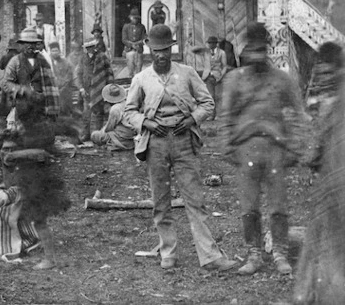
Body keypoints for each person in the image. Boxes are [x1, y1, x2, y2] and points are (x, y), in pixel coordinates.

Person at [123, 24, 237, 271]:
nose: (160, 55)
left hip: (184, 141)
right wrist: (147, 123)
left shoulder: (186, 73)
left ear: (171, 49)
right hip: (156, 144)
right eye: (156, 50)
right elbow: (128, 111)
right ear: (148, 50)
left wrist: (192, 119)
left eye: (165, 50)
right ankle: (168, 252)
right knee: (160, 201)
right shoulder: (141, 79)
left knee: (195, 199)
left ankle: (210, 256)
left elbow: (207, 103)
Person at [221, 22, 306, 276]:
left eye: (261, 50)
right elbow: (226, 116)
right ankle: (254, 254)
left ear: (267, 50)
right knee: (249, 207)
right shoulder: (234, 79)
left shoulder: (282, 80)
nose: (257, 56)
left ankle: (280, 253)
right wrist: (228, 147)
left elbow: (298, 115)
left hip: (275, 149)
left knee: (278, 205)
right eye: (252, 50)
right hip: (246, 148)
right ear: (246, 51)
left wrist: (295, 148)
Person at [2, 28, 68, 269]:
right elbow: (6, 83)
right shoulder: (14, 63)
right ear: (20, 45)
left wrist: (49, 114)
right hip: (22, 111)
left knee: (37, 186)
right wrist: (23, 91)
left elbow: (52, 89)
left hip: (39, 119)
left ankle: (46, 252)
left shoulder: (43, 61)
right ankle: (31, 241)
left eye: (33, 44)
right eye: (26, 44)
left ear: (38, 44)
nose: (30, 47)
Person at [294, 42, 345, 303]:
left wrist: (306, 159)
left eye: (329, 73)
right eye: (321, 73)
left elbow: (314, 147)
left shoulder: (332, 105)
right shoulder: (322, 103)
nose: (324, 78)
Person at [0, 134, 41, 261]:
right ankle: (0, 249)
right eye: (5, 149)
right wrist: (11, 194)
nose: (10, 154)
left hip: (17, 202)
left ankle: (26, 240)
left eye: (13, 149)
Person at [74, 39, 114, 142]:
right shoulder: (82, 58)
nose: (89, 49)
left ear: (95, 46)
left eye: (91, 47)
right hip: (86, 90)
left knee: (97, 113)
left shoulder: (102, 56)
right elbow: (78, 74)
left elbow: (109, 73)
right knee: (86, 113)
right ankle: (86, 135)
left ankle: (96, 136)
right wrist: (81, 88)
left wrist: (108, 88)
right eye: (87, 47)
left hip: (99, 89)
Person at [90, 83, 136, 152]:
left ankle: (113, 144)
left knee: (95, 135)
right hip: (131, 134)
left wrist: (101, 131)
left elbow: (109, 127)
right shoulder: (127, 103)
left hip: (122, 136)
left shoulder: (115, 109)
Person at [201, 36, 228, 119]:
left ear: (216, 44)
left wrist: (221, 76)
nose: (209, 45)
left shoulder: (222, 53)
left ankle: (219, 115)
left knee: (218, 97)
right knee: (210, 97)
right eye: (208, 43)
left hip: (218, 77)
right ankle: (211, 115)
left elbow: (225, 66)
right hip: (208, 77)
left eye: (211, 43)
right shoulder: (206, 52)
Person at [48, 41, 75, 116]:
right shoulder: (48, 63)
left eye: (56, 50)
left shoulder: (66, 62)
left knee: (65, 112)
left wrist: (62, 88)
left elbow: (69, 77)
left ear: (59, 51)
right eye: (53, 51)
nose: (55, 52)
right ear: (50, 52)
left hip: (64, 92)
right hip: (52, 92)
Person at [121, 8, 147, 77]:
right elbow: (124, 39)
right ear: (130, 18)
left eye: (136, 18)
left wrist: (138, 44)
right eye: (133, 18)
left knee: (139, 71)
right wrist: (132, 45)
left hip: (139, 51)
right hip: (129, 50)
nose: (134, 19)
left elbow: (144, 38)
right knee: (130, 71)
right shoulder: (126, 27)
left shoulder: (142, 27)